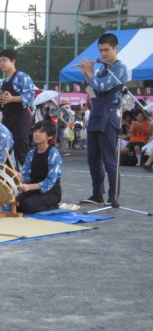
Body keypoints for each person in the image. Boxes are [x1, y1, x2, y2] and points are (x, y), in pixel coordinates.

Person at [78, 33, 128, 206]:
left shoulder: (119, 68)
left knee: (109, 159)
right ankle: (97, 194)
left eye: (107, 50)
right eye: (100, 50)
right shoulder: (102, 69)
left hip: (109, 114)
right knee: (93, 159)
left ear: (116, 48)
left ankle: (113, 196)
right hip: (96, 113)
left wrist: (90, 74)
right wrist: (87, 74)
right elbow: (92, 90)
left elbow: (101, 86)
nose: (103, 54)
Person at [0, 49, 35, 169]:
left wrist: (12, 98)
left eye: (4, 60)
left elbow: (30, 96)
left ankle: (30, 178)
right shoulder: (3, 83)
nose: (1, 63)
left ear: (13, 61)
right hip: (7, 119)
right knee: (7, 150)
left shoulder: (22, 77)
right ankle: (13, 179)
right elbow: (4, 103)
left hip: (20, 118)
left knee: (20, 147)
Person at [16, 120, 62, 213]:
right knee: (15, 204)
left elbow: (50, 181)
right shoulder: (31, 154)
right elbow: (27, 177)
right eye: (35, 131)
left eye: (41, 132)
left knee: (28, 205)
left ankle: (53, 205)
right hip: (35, 189)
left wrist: (29, 187)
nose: (36, 134)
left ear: (49, 136)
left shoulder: (54, 154)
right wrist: (19, 178)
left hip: (50, 192)